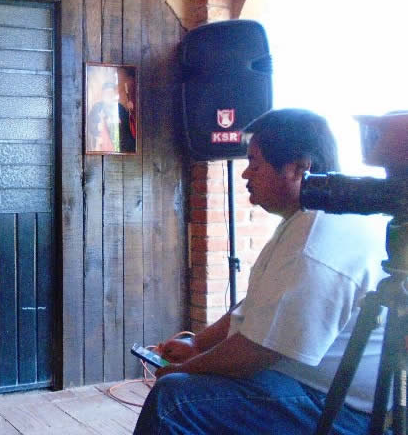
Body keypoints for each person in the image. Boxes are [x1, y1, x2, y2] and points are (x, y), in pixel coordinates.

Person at [133, 108, 387, 434]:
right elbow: (257, 305)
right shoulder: (307, 220)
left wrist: (189, 368)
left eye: (254, 163)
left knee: (175, 400)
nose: (245, 174)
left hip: (342, 410)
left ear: (298, 168)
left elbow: (254, 353)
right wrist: (198, 344)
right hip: (301, 384)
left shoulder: (316, 240)